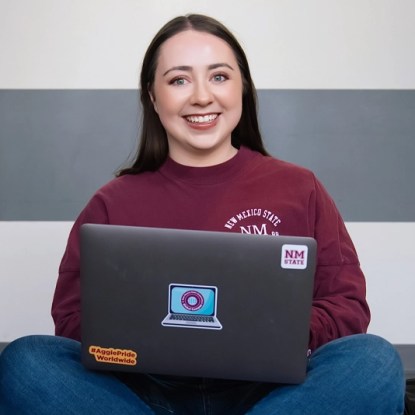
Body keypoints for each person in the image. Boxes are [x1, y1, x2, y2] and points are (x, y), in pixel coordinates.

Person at [0, 13, 405, 415]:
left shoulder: (300, 188)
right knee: (26, 361)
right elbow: (72, 321)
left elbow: (347, 305)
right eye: (179, 79)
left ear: (242, 86)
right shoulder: (111, 202)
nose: (201, 96)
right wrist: (149, 339)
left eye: (219, 76)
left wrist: (274, 335)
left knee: (373, 361)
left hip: (270, 394)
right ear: (153, 97)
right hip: (142, 394)